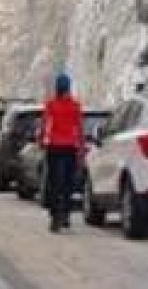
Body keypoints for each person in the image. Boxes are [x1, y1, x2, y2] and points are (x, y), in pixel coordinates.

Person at [41, 72, 83, 233]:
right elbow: (79, 128)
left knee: (53, 182)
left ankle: (55, 214)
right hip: (70, 147)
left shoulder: (51, 105)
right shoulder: (75, 106)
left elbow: (45, 125)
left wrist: (41, 141)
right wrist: (80, 148)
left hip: (54, 146)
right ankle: (65, 213)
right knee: (67, 183)